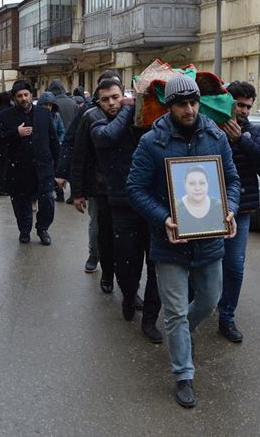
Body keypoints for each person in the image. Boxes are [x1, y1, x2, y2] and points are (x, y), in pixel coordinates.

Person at [126, 75, 240, 408]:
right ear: (170, 106)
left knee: (208, 299)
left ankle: (181, 336)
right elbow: (135, 188)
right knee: (174, 312)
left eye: (193, 103)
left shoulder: (216, 136)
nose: (189, 109)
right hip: (169, 242)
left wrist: (229, 210)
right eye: (181, 104)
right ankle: (183, 375)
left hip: (209, 240)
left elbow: (231, 181)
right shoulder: (152, 142)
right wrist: (164, 218)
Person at [89, 79, 162, 343]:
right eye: (106, 99)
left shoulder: (143, 122)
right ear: (99, 103)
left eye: (116, 97)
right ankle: (129, 296)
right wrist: (128, 109)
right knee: (127, 264)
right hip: (121, 205)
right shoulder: (98, 125)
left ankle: (151, 319)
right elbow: (108, 137)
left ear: (124, 96)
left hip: (153, 205)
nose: (111, 103)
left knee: (156, 264)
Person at [216, 81, 260, 343]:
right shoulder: (210, 126)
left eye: (247, 106)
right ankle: (196, 308)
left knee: (234, 266)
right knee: (205, 263)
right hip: (209, 207)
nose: (243, 111)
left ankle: (227, 317)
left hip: (241, 209)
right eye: (239, 105)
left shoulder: (254, 131)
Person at [56, 70, 121, 274]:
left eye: (115, 93)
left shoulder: (131, 113)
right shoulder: (88, 115)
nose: (111, 101)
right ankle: (95, 254)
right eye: (105, 96)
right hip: (98, 182)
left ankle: (118, 264)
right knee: (97, 222)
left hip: (123, 183)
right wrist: (76, 188)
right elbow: (75, 148)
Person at [0, 82, 59, 245]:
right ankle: (24, 230)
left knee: (48, 201)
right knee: (21, 203)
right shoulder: (5, 116)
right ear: (14, 98)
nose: (24, 99)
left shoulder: (44, 114)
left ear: (31, 95)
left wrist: (60, 169)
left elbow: (53, 140)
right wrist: (16, 133)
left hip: (43, 167)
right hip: (18, 168)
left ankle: (43, 228)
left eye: (26, 95)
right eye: (19, 96)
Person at [174, 165, 225, 235]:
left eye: (202, 183)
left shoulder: (219, 206)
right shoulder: (176, 208)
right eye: (192, 183)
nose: (197, 188)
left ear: (208, 183)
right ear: (184, 184)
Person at [37, 92, 67, 202]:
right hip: (41, 150)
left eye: (50, 105)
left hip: (53, 149)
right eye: (45, 105)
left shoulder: (56, 116)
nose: (48, 107)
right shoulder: (37, 116)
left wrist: (58, 142)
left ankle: (59, 194)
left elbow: (62, 131)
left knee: (55, 171)